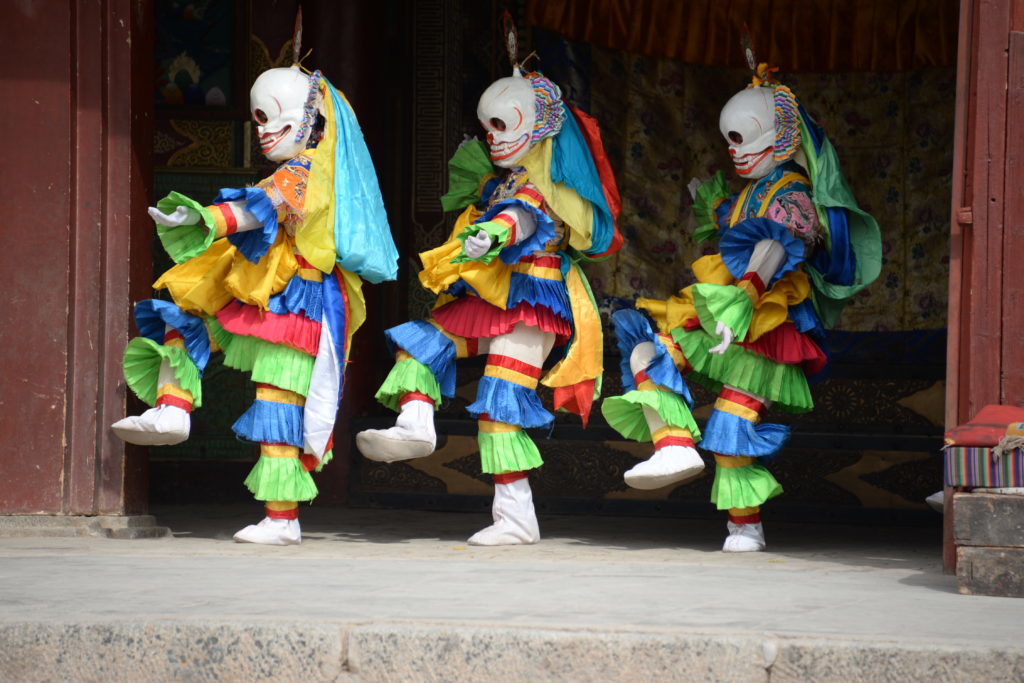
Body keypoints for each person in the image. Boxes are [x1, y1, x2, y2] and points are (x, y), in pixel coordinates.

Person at [111, 65, 398, 545]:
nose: (261, 129)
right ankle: (173, 409)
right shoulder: (303, 170)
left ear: (309, 120)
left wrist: (205, 218)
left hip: (300, 304)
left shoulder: (308, 172)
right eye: (257, 118)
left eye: (271, 117)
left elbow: (255, 211)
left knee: (277, 402)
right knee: (188, 321)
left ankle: (282, 520)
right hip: (267, 293)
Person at [603, 63, 881, 552]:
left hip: (766, 328)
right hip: (723, 315)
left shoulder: (793, 198)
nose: (732, 149)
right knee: (648, 353)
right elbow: (734, 226)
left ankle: (745, 525)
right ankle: (673, 446)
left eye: (740, 137)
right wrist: (710, 207)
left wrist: (739, 307)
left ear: (782, 137)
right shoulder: (752, 193)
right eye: (728, 139)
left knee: (731, 426)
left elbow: (771, 250)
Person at [355, 64, 622, 545]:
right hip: (492, 297)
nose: (491, 137)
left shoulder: (548, 189)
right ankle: (416, 425)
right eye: (487, 127)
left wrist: (494, 234)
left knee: (501, 402)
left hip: (533, 304)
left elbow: (522, 218)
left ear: (537, 127)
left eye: (501, 125)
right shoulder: (504, 182)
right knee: (421, 345)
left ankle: (516, 519)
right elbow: (502, 204)